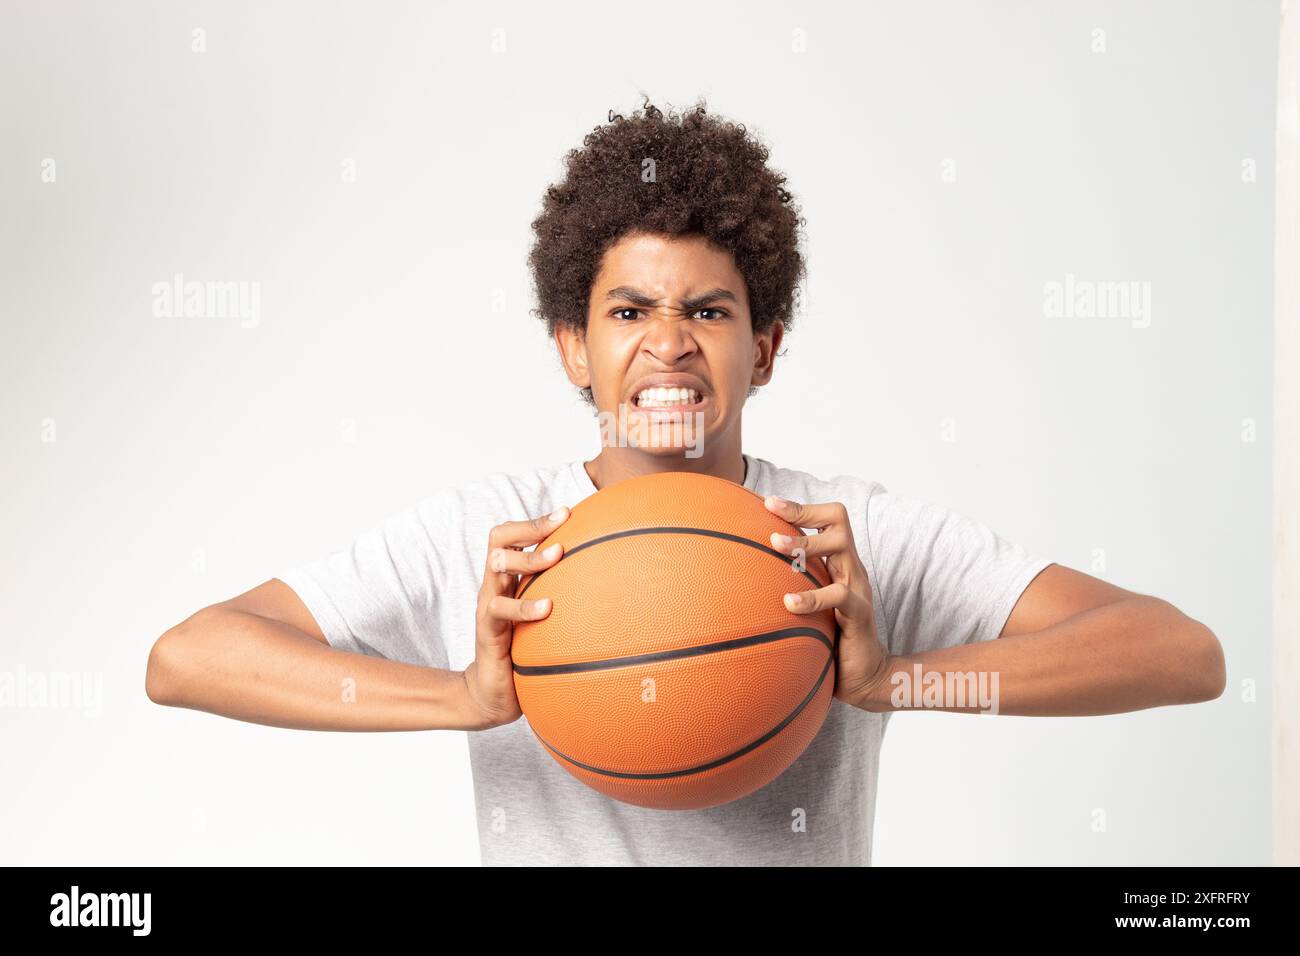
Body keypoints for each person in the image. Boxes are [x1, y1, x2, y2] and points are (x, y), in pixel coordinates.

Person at [145, 98, 1226, 866]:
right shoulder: (493, 536)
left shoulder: (842, 535)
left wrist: (898, 675)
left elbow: (1182, 652)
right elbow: (186, 657)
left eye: (708, 309)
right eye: (628, 312)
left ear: (765, 347)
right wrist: (464, 697)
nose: (669, 345)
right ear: (572, 347)